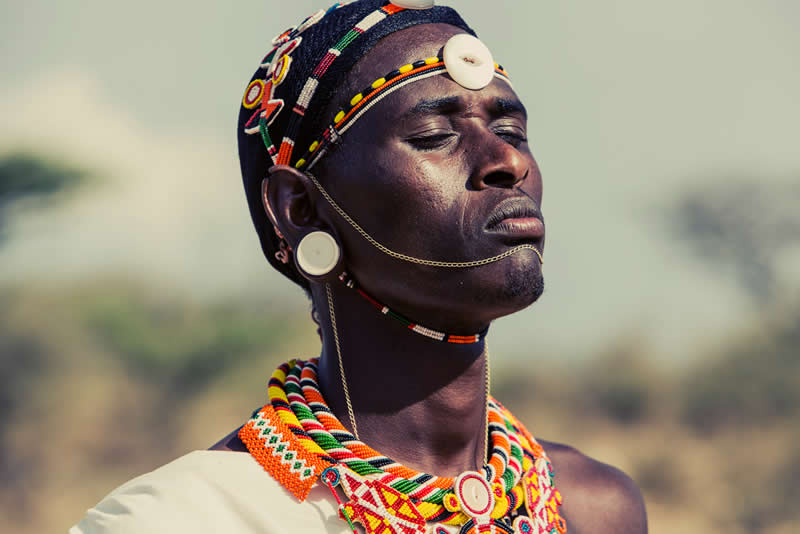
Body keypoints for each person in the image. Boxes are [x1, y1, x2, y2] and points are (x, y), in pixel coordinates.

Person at [71, 1, 647, 533]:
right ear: (302, 210)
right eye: (435, 135)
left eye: (510, 131)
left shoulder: (593, 508)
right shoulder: (186, 518)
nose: (507, 160)